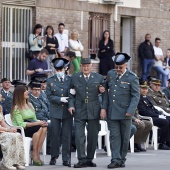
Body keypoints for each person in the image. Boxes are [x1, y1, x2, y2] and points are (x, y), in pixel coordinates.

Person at [68, 58, 107, 168]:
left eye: (88, 66)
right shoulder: (75, 77)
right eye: (83, 66)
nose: (86, 68)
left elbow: (105, 94)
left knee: (93, 136)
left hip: (94, 109)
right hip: (79, 108)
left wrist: (104, 108)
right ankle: (81, 159)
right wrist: (71, 105)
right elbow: (71, 94)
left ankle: (89, 159)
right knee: (79, 135)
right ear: (81, 66)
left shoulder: (98, 78)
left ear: (91, 66)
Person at [106, 53, 140, 168]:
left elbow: (135, 96)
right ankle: (115, 159)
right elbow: (106, 90)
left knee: (125, 138)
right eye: (116, 67)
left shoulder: (132, 77)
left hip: (126, 112)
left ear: (126, 65)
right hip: (112, 111)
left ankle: (121, 158)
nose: (118, 69)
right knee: (114, 137)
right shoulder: (111, 74)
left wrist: (131, 111)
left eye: (120, 67)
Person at [11, 85, 48, 166]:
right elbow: (21, 124)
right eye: (25, 91)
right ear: (20, 94)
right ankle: (34, 155)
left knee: (44, 127)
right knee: (39, 128)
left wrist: (41, 122)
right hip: (22, 129)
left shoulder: (30, 105)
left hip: (32, 125)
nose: (27, 92)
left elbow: (34, 118)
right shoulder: (16, 107)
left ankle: (37, 153)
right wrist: (37, 123)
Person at [46, 58, 73, 166]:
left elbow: (73, 94)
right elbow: (49, 95)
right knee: (54, 134)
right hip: (55, 109)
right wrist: (59, 99)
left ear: (65, 69)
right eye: (57, 70)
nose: (58, 71)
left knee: (67, 135)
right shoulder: (50, 80)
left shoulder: (69, 80)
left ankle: (66, 158)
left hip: (67, 110)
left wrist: (70, 99)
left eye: (60, 69)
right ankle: (53, 156)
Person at [137, 80, 170, 150]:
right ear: (138, 88)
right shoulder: (138, 98)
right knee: (165, 122)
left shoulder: (146, 98)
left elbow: (153, 108)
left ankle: (168, 141)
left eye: (146, 89)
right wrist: (157, 116)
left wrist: (159, 114)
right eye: (142, 88)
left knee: (168, 119)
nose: (144, 90)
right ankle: (162, 143)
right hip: (148, 118)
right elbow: (144, 112)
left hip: (153, 116)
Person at [0, 94, 25, 170]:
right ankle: (6, 164)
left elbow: (2, 123)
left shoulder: (0, 107)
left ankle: (16, 162)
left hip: (2, 131)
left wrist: (11, 128)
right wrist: (7, 130)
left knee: (17, 135)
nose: (1, 95)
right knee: (9, 137)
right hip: (1, 132)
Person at [132, 80, 152, 152]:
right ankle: (133, 143)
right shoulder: (129, 97)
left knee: (149, 124)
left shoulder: (135, 97)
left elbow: (136, 110)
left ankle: (139, 142)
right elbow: (125, 111)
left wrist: (137, 118)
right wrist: (134, 119)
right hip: (128, 119)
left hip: (135, 118)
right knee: (141, 125)